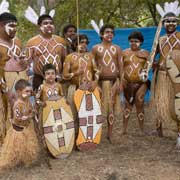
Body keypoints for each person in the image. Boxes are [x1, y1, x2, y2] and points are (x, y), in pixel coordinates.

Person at [151, 1, 180, 146]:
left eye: (174, 21)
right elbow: (153, 56)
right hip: (162, 75)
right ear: (163, 23)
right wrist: (152, 64)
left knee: (177, 104)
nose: (170, 24)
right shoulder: (160, 39)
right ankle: (159, 128)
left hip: (176, 77)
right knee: (160, 103)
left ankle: (179, 131)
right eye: (168, 21)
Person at [92, 24, 123, 142]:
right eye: (107, 32)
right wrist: (94, 83)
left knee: (111, 108)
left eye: (111, 32)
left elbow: (121, 67)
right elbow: (92, 67)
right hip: (100, 82)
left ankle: (110, 134)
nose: (110, 34)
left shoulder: (117, 48)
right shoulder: (95, 48)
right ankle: (97, 133)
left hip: (114, 82)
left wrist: (121, 83)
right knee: (97, 108)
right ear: (101, 34)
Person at [63, 34, 100, 135]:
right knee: (74, 113)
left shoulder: (90, 56)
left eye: (85, 42)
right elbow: (64, 75)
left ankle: (85, 137)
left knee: (87, 114)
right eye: (80, 42)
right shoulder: (69, 57)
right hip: (74, 88)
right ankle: (74, 136)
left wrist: (95, 82)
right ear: (75, 44)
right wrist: (75, 73)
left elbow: (96, 71)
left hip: (89, 89)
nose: (83, 45)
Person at [0, 79, 39, 170]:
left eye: (30, 91)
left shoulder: (28, 101)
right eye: (26, 91)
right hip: (18, 129)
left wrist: (33, 110)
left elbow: (31, 110)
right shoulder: (17, 104)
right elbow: (18, 117)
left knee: (27, 145)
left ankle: (24, 158)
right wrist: (29, 116)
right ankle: (13, 160)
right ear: (18, 92)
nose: (29, 93)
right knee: (14, 148)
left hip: (26, 128)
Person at [25, 14, 66, 91]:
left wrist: (63, 76)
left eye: (51, 23)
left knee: (58, 102)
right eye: (45, 23)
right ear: (39, 26)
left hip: (58, 79)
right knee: (40, 102)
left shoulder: (61, 41)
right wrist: (25, 79)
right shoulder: (32, 42)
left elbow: (65, 61)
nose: (49, 25)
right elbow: (26, 63)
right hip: (39, 79)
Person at [122, 31, 149, 135]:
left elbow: (151, 66)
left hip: (141, 83)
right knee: (127, 105)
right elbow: (120, 68)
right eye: (131, 41)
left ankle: (141, 129)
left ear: (141, 42)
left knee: (140, 101)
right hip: (128, 83)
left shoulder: (146, 53)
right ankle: (124, 129)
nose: (133, 43)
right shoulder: (124, 53)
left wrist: (148, 60)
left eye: (136, 41)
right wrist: (122, 79)